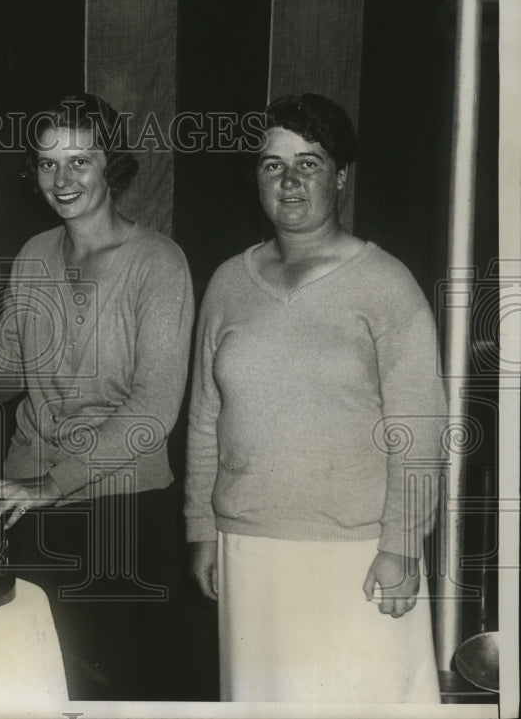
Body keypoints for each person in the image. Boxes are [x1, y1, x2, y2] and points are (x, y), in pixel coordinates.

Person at [184, 93, 446, 702]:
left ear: (341, 178)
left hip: (358, 555)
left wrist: (402, 546)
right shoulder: (227, 282)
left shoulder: (385, 284)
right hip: (250, 550)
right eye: (273, 164)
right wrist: (202, 527)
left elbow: (419, 427)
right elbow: (204, 418)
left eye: (310, 162)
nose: (291, 179)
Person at [0, 94, 195, 700]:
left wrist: (53, 485)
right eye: (46, 164)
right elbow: (2, 384)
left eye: (79, 162)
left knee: (123, 693)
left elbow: (153, 413)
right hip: (32, 509)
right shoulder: (36, 254)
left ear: (110, 164)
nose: (61, 180)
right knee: (41, 690)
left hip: (123, 511)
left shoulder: (159, 263)